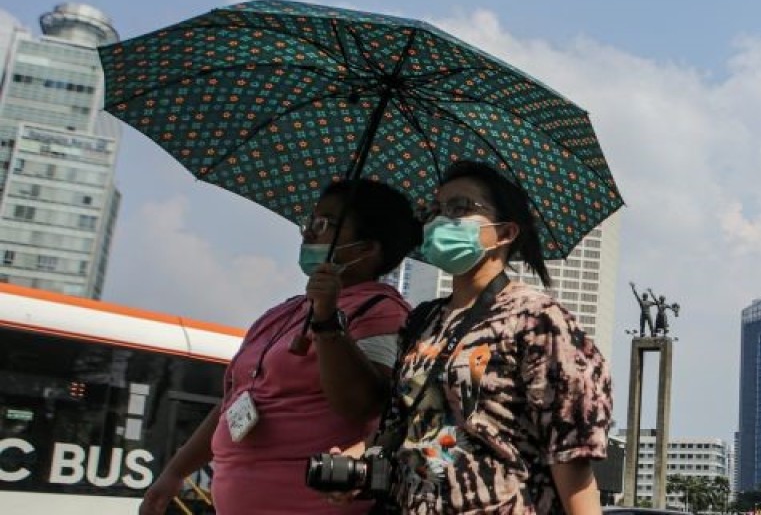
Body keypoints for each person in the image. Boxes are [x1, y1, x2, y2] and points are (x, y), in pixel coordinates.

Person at [342, 160, 612, 515]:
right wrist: (355, 463)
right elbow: (400, 429)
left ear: (505, 233)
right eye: (434, 209)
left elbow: (572, 460)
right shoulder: (422, 320)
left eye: (460, 208)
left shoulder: (538, 320)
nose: (440, 220)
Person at [139, 178, 422, 515]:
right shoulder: (281, 313)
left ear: (365, 249)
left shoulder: (382, 310)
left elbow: (361, 405)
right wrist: (175, 472)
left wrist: (327, 320)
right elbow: (234, 403)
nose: (308, 234)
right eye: (309, 222)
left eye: (324, 224)